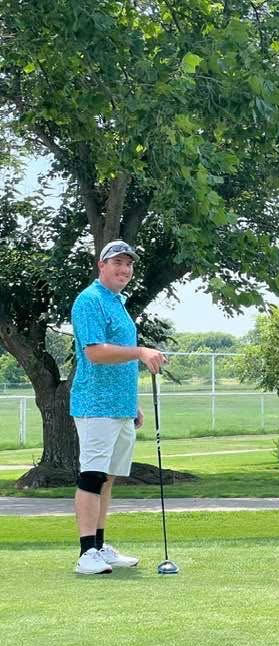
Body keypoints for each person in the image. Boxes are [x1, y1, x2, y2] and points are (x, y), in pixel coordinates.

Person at [70, 240, 167, 574]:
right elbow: (95, 352)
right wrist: (141, 352)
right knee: (92, 476)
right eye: (117, 263)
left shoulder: (117, 302)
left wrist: (132, 404)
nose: (124, 270)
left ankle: (99, 546)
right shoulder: (90, 300)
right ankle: (86, 555)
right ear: (102, 265)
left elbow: (119, 356)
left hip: (118, 406)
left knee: (108, 478)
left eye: (128, 265)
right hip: (95, 404)